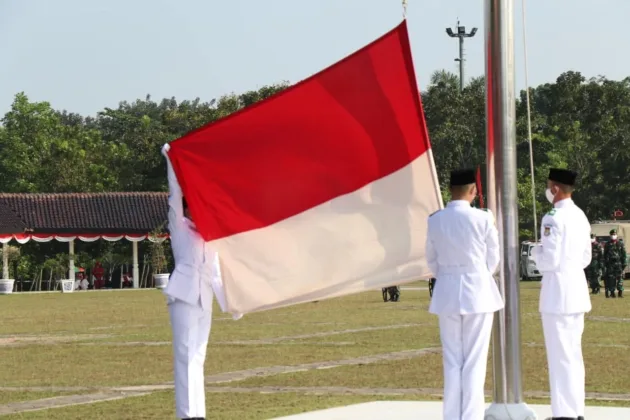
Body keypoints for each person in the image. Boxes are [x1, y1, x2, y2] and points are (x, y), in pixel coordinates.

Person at [426, 168, 503, 420]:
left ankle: (451, 416)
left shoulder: (435, 219)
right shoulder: (482, 219)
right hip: (477, 291)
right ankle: (470, 416)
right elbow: (494, 258)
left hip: (447, 291)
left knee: (452, 359)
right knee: (474, 360)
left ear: (450, 190)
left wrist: (449, 275)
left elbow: (431, 260)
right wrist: (478, 274)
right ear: (473, 191)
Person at [162, 144, 223, 420]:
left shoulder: (210, 238)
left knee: (199, 356)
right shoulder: (180, 226)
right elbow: (173, 196)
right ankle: (187, 415)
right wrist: (171, 162)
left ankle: (198, 413)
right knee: (185, 356)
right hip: (184, 295)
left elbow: (217, 274)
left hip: (204, 298)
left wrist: (234, 302)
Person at [532, 168, 591, 420]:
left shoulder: (552, 217)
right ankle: (574, 410)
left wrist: (535, 253)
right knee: (572, 356)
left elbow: (550, 261)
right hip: (576, 291)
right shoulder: (580, 215)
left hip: (558, 294)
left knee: (560, 358)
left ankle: (564, 414)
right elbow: (586, 258)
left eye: (548, 186)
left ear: (555, 188)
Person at [603, 229, 626, 298]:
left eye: (614, 234)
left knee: (620, 279)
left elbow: (623, 254)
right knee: (611, 279)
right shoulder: (607, 244)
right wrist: (605, 264)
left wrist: (624, 264)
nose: (613, 236)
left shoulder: (620, 243)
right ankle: (612, 292)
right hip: (610, 265)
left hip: (619, 264)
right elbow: (605, 254)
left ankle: (620, 292)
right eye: (612, 234)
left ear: (616, 235)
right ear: (610, 235)